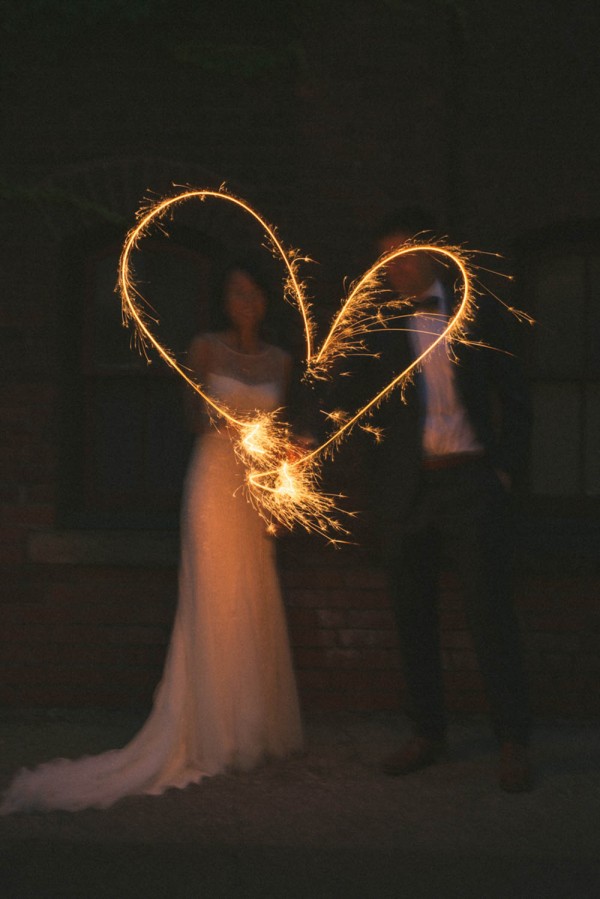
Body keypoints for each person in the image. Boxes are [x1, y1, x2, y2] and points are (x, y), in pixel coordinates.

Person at [0, 261, 303, 814]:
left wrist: (289, 455)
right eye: (236, 293)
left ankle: (252, 728)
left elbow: (280, 429)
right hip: (212, 483)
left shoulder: (281, 360)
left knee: (251, 596)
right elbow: (192, 419)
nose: (246, 303)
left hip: (251, 490)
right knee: (213, 600)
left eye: (255, 294)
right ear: (224, 299)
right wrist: (220, 412)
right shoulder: (205, 348)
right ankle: (212, 731)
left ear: (266, 300)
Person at [364, 208, 532, 792]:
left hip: (469, 483)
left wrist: (505, 469)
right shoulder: (379, 322)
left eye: (405, 255)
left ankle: (513, 741)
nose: (396, 269)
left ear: (433, 253)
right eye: (387, 260)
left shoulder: (477, 310)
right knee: (413, 615)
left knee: (491, 613)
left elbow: (517, 393)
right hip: (407, 491)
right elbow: (355, 405)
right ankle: (427, 733)